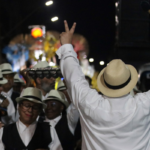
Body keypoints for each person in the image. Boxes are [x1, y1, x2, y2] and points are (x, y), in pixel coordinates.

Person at [56, 20, 150, 150]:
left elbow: (73, 77)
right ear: (130, 83)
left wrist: (66, 46)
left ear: (104, 83)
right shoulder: (144, 105)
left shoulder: (90, 104)